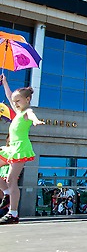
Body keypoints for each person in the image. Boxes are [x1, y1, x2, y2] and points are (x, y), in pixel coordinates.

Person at [0, 75, 45, 224]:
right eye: (14, 102)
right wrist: (5, 82)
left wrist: (36, 121)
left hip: (20, 148)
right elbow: (8, 95)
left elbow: (32, 115)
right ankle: (6, 194)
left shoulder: (26, 112)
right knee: (7, 180)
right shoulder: (18, 112)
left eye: (18, 101)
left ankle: (13, 214)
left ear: (27, 100)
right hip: (11, 148)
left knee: (11, 179)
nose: (15, 104)